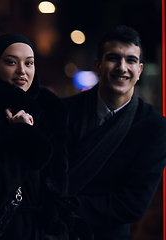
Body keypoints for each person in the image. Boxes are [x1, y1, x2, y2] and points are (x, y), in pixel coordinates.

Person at [0, 33, 91, 239]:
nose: (22, 71)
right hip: (9, 232)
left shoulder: (45, 115)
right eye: (11, 62)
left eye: (29, 63)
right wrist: (22, 135)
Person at [62, 25, 166, 240]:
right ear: (98, 66)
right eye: (113, 58)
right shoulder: (63, 111)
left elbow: (133, 204)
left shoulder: (154, 127)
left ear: (140, 70)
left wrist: (62, 207)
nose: (122, 67)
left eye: (131, 60)